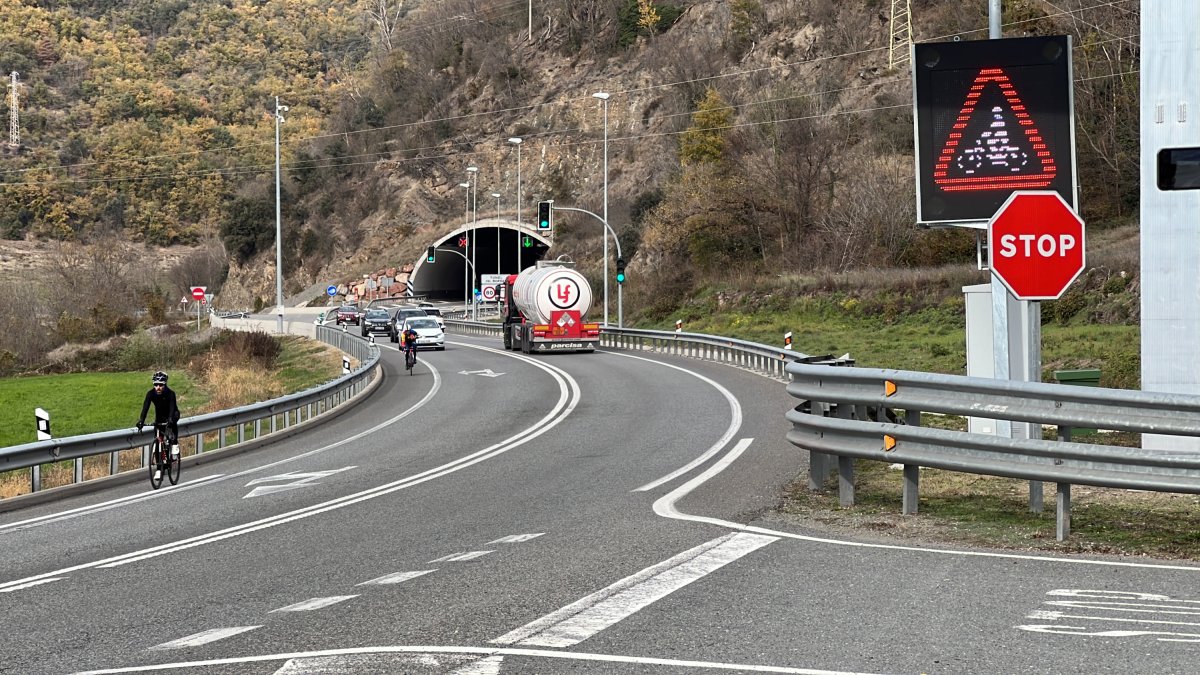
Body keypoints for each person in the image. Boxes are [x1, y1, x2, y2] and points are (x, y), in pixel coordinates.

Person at [136, 371, 181, 481]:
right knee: (158, 443)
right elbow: (145, 408)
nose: (158, 387)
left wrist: (170, 420)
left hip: (172, 414)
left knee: (172, 421)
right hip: (160, 418)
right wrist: (141, 421)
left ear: (165, 384)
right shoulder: (150, 394)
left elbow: (172, 407)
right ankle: (159, 470)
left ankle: (174, 444)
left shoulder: (171, 393)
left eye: (161, 385)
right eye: (156, 385)